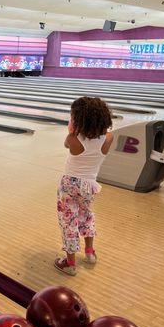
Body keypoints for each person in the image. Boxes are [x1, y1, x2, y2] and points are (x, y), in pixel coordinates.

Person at [55, 97, 114, 276]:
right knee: (87, 215)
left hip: (69, 186)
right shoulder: (109, 138)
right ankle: (89, 252)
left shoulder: (73, 139)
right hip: (90, 186)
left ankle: (70, 263)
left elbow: (68, 140)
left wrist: (73, 128)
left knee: (69, 221)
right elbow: (103, 133)